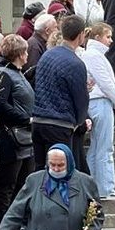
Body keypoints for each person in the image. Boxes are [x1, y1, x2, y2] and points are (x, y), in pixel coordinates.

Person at [31, 14, 90, 172]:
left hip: (38, 120)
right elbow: (81, 100)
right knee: (60, 171)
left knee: (40, 171)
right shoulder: (76, 63)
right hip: (59, 124)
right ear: (81, 35)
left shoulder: (46, 55)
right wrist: (79, 121)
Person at [0, 34, 36, 230]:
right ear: (17, 54)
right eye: (25, 52)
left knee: (20, 183)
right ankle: (2, 225)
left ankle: (17, 224)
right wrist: (25, 119)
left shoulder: (17, 73)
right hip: (10, 137)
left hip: (24, 137)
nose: (27, 55)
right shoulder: (3, 74)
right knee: (6, 183)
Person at [79, 22, 115, 200]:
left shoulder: (92, 54)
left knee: (98, 146)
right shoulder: (94, 55)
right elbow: (106, 83)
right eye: (108, 36)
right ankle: (105, 188)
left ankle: (97, 186)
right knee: (104, 146)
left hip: (98, 101)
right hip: (100, 102)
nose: (111, 40)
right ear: (97, 37)